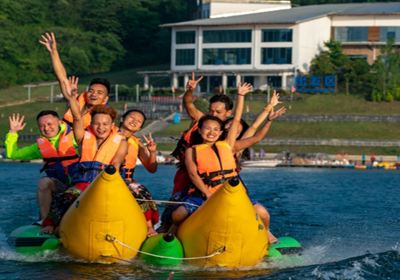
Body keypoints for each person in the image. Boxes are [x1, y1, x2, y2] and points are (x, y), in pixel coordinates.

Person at [42, 79, 127, 234]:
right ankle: (50, 225)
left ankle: (147, 227)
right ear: (91, 124)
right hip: (83, 184)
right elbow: (76, 117)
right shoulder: (83, 136)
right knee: (66, 197)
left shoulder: (121, 141)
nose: (101, 128)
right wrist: (71, 98)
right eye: (97, 124)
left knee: (139, 191)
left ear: (111, 125)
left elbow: (117, 162)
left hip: (109, 182)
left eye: (105, 124)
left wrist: (107, 184)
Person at [170, 83, 251, 228]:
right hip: (189, 172)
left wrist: (243, 97)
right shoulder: (202, 121)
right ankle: (169, 231)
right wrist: (190, 90)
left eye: (218, 112)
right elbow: (188, 103)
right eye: (211, 111)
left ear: (228, 113)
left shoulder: (227, 135)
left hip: (220, 179)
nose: (213, 115)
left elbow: (248, 129)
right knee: (175, 210)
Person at [5, 111, 79, 222]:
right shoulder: (40, 146)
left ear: (59, 122)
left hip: (82, 185)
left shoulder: (76, 137)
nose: (46, 128)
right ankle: (45, 221)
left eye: (49, 124)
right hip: (59, 188)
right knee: (43, 182)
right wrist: (13, 132)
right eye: (42, 126)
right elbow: (12, 154)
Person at [39, 32, 110, 128]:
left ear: (105, 99)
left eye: (99, 92)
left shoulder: (103, 117)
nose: (94, 94)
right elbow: (62, 78)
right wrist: (53, 52)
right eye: (91, 91)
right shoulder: (76, 99)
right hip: (62, 139)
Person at [119, 109, 159, 236]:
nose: (134, 121)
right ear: (122, 119)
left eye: (139, 121)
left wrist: (152, 152)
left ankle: (149, 228)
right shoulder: (108, 134)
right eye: (131, 117)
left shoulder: (137, 143)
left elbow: (152, 168)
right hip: (106, 177)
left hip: (128, 180)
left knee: (142, 192)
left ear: (140, 127)